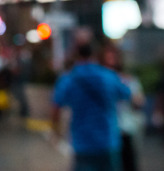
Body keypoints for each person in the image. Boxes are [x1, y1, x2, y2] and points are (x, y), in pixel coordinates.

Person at [51, 42, 131, 171]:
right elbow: (127, 94)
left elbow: (56, 107)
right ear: (94, 55)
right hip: (108, 141)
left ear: (77, 55)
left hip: (82, 143)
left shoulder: (69, 79)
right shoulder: (109, 76)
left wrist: (55, 132)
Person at [102, 47, 145, 171]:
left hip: (125, 130)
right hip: (107, 133)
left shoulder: (128, 80)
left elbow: (139, 102)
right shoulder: (100, 82)